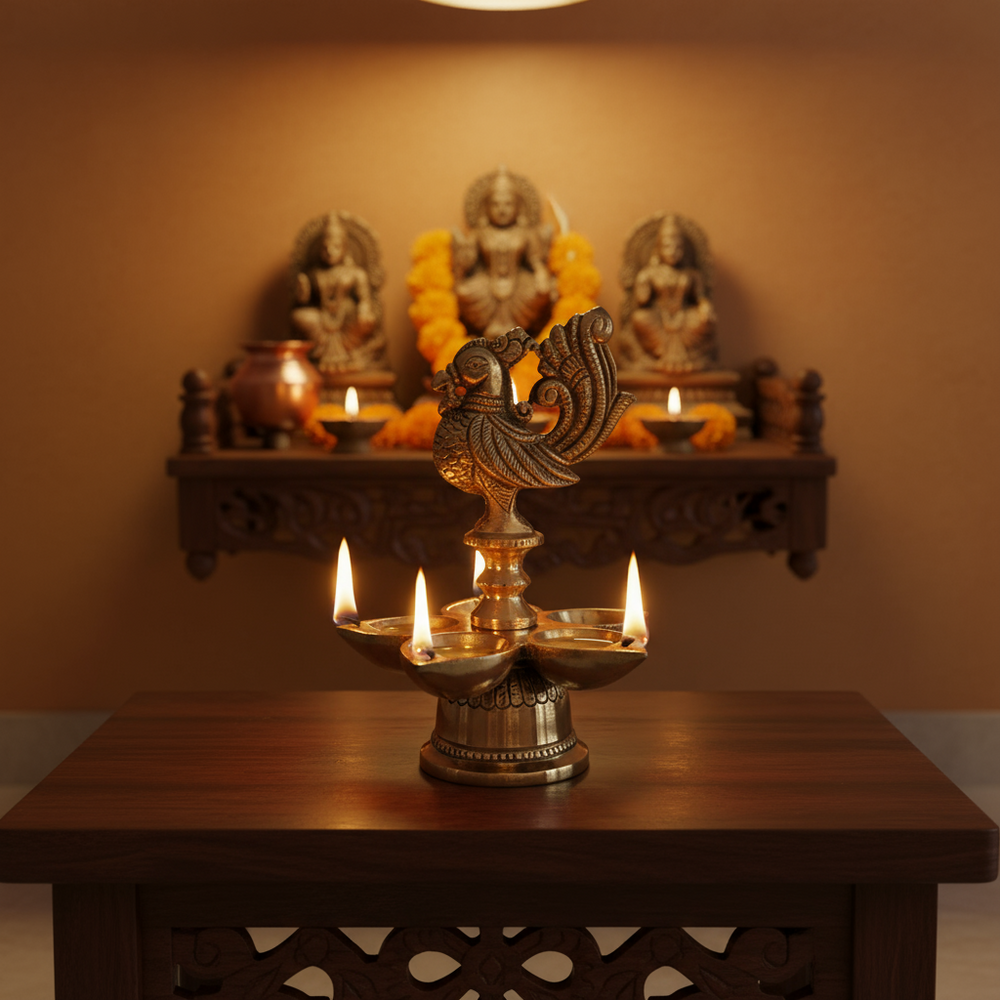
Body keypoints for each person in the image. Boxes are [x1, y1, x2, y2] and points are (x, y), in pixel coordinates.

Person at [453, 169, 554, 340]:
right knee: (464, 291)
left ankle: (517, 330)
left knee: (542, 290)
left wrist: (542, 276)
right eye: (495, 204)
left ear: (518, 207)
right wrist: (463, 262)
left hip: (520, 284)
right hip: (485, 284)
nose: (502, 210)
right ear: (486, 207)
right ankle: (491, 329)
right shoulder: (480, 232)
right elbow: (467, 262)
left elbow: (535, 260)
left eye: (508, 204)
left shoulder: (525, 232)